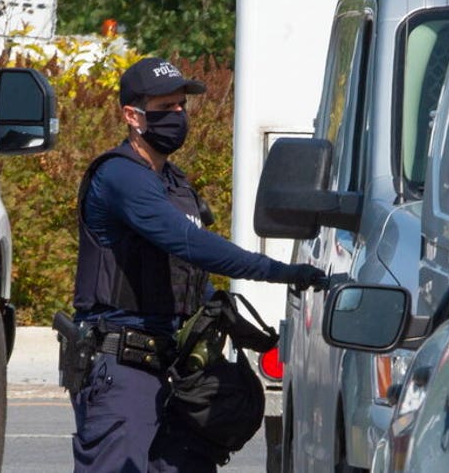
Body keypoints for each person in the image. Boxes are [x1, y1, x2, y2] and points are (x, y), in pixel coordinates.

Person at [69, 57, 327, 473]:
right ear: (132, 116)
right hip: (123, 368)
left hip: (178, 369)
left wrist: (231, 322)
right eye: (165, 107)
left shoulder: (174, 183)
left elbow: (188, 277)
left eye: (181, 106)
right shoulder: (120, 177)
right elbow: (190, 244)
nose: (177, 115)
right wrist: (279, 272)